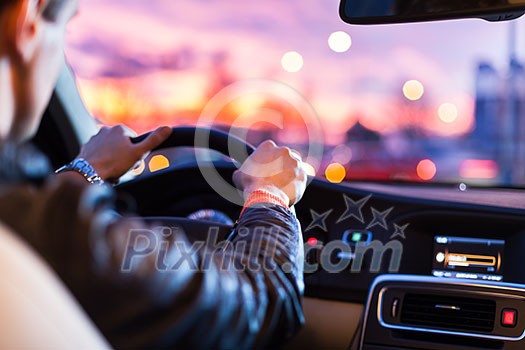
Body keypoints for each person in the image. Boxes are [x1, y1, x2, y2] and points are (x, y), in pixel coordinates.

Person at [0, 0, 308, 348]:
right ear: (28, 22)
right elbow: (263, 303)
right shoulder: (68, 242)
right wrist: (270, 195)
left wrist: (85, 171)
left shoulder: (27, 222)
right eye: (66, 30)